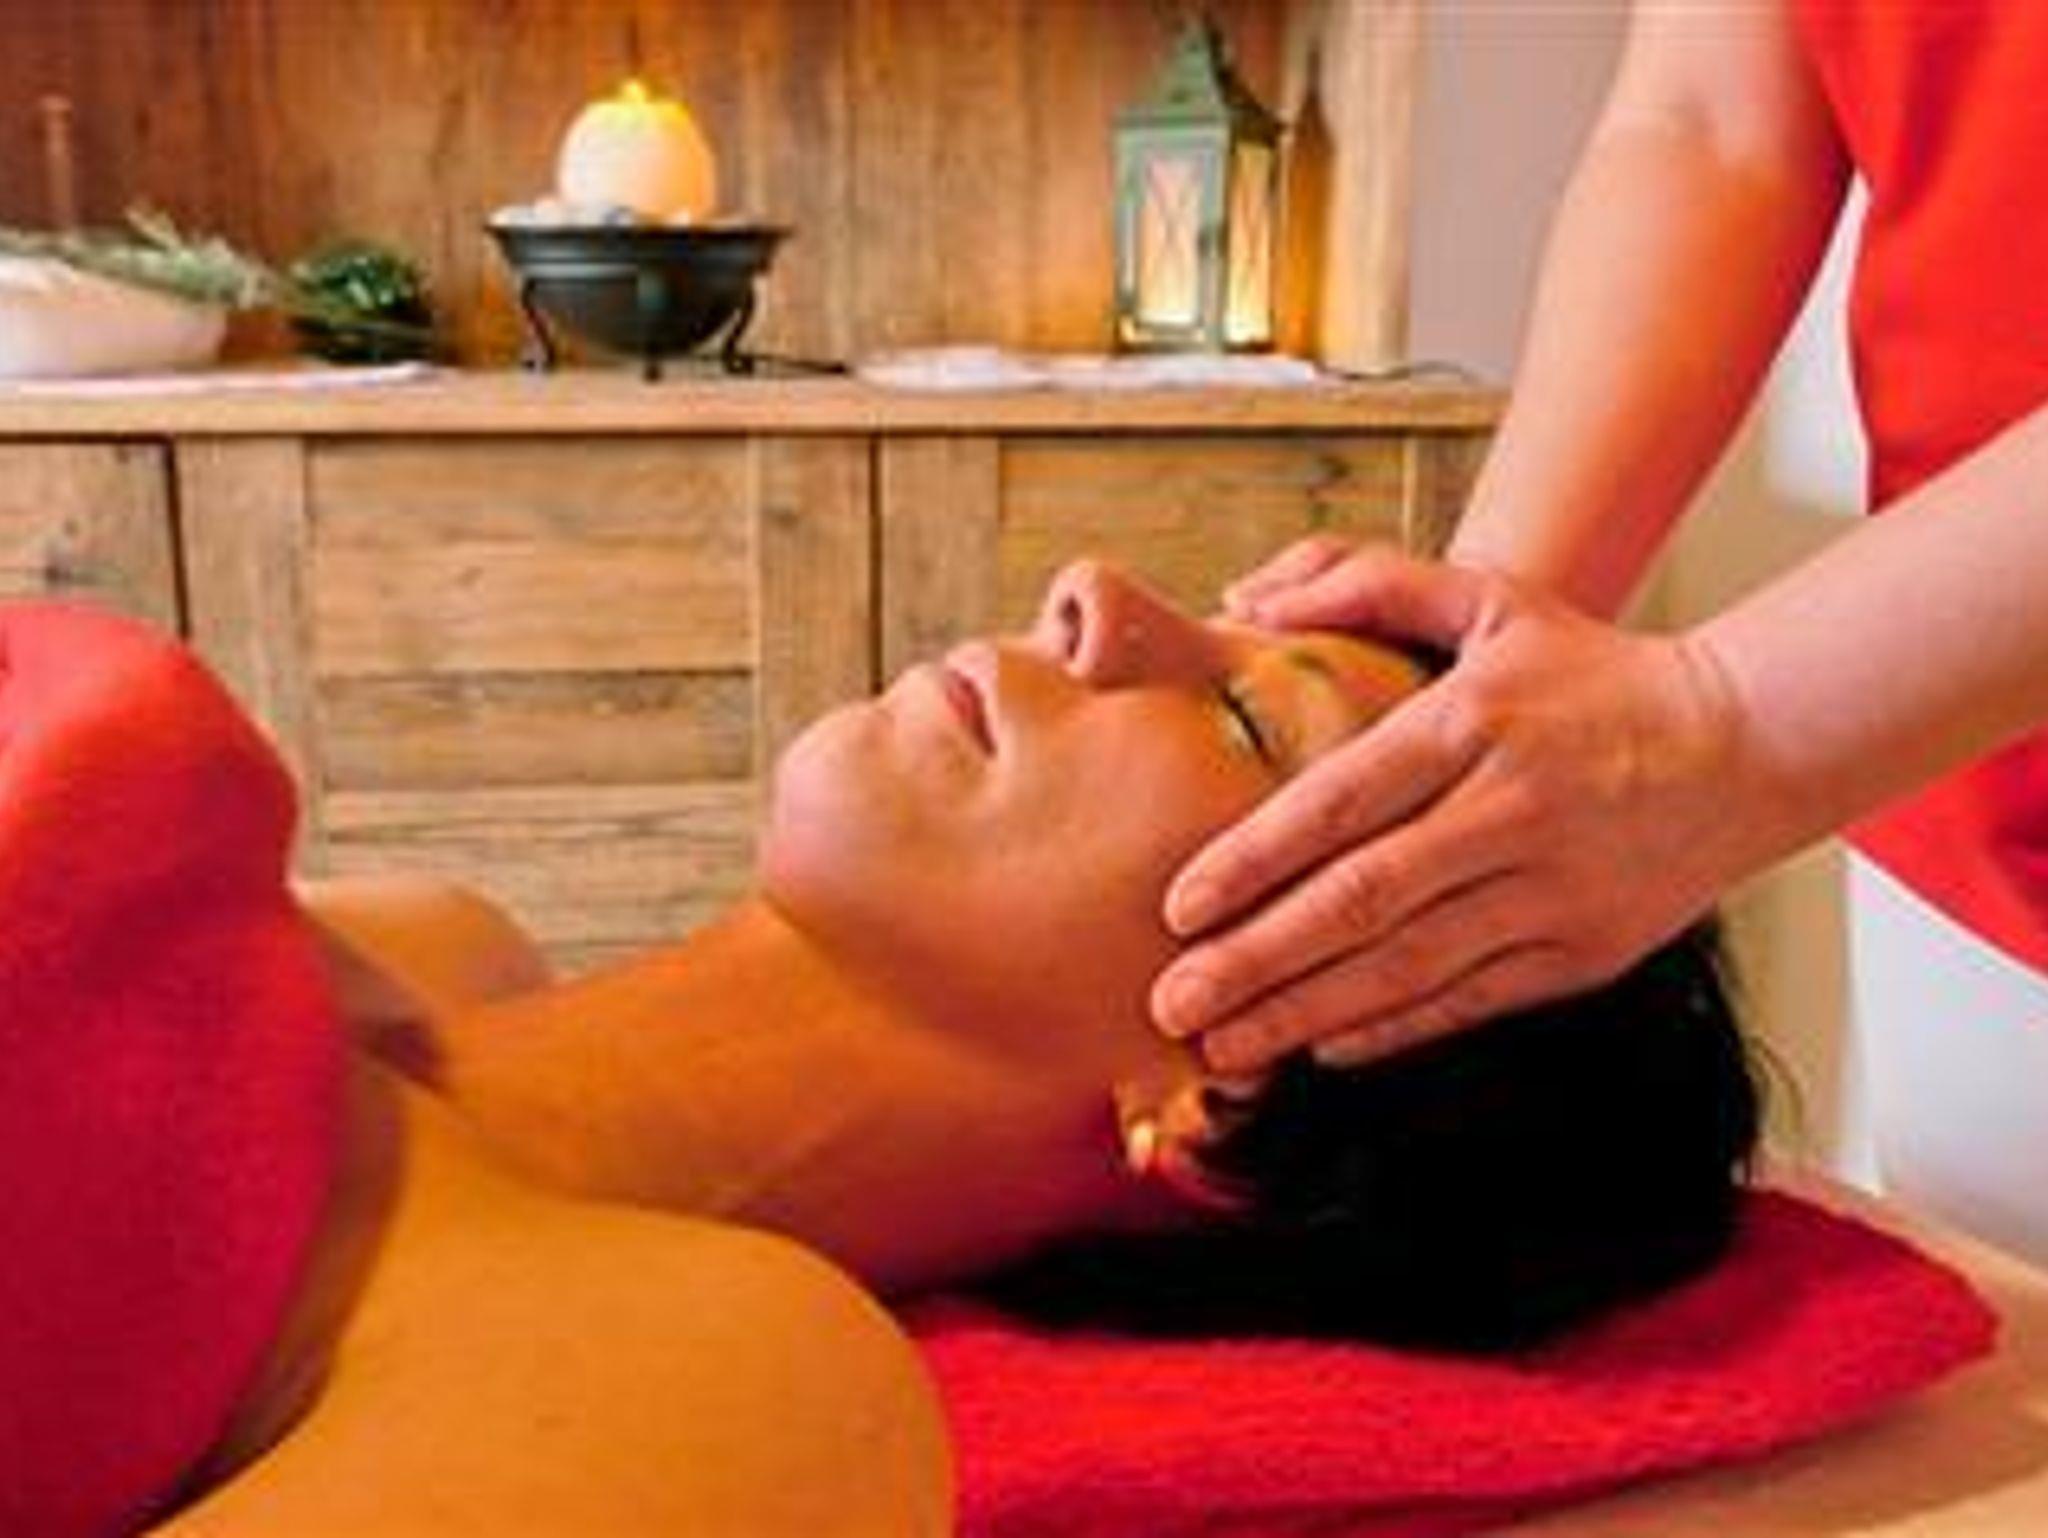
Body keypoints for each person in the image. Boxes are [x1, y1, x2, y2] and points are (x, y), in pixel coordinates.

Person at [9, 563, 1758, 1535]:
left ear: (1218, 1103)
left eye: (1244, 713)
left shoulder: (745, 1392)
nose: (1096, 598)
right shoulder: (425, 937)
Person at [1148, 0, 2048, 1194]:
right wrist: (1458, 666)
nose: (1087, 600)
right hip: (1957, 813)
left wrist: (1723, 720)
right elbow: (1709, 122)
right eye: (1245, 715)